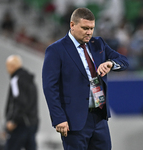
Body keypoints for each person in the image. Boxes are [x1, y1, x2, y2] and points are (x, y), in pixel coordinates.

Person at [42, 8, 129, 150]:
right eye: (85, 28)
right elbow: (50, 87)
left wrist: (110, 63)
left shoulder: (98, 44)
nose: (89, 32)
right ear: (72, 25)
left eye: (91, 28)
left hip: (99, 117)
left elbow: (124, 61)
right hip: (74, 119)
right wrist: (59, 118)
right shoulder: (56, 50)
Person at [5, 55, 39, 150]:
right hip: (32, 122)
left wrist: (13, 120)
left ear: (12, 66)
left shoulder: (16, 80)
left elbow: (19, 102)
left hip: (20, 124)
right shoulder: (31, 81)